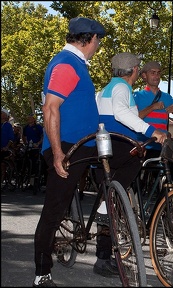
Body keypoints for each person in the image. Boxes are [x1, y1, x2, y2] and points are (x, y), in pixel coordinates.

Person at [34, 17, 107, 287]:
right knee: (53, 210)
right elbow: (51, 108)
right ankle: (42, 274)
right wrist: (56, 153)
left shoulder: (78, 65)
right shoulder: (66, 63)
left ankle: (106, 224)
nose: (98, 46)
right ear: (89, 39)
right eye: (98, 41)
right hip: (66, 147)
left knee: (111, 182)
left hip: (84, 146)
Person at [95, 52, 167, 276]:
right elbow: (121, 113)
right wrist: (151, 131)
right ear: (135, 70)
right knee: (133, 165)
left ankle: (110, 205)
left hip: (104, 146)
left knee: (111, 195)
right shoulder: (121, 87)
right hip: (115, 147)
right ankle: (108, 208)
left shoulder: (107, 88)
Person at [133, 60, 173, 187]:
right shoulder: (136, 96)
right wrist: (152, 107)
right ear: (144, 76)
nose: (156, 76)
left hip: (163, 146)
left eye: (158, 73)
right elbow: (133, 118)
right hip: (144, 143)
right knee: (136, 181)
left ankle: (164, 203)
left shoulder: (167, 97)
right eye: (153, 73)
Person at [1, 108, 14, 187]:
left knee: (2, 163)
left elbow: (11, 139)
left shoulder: (8, 125)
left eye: (1, 113)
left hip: (4, 149)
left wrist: (6, 147)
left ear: (5, 116)